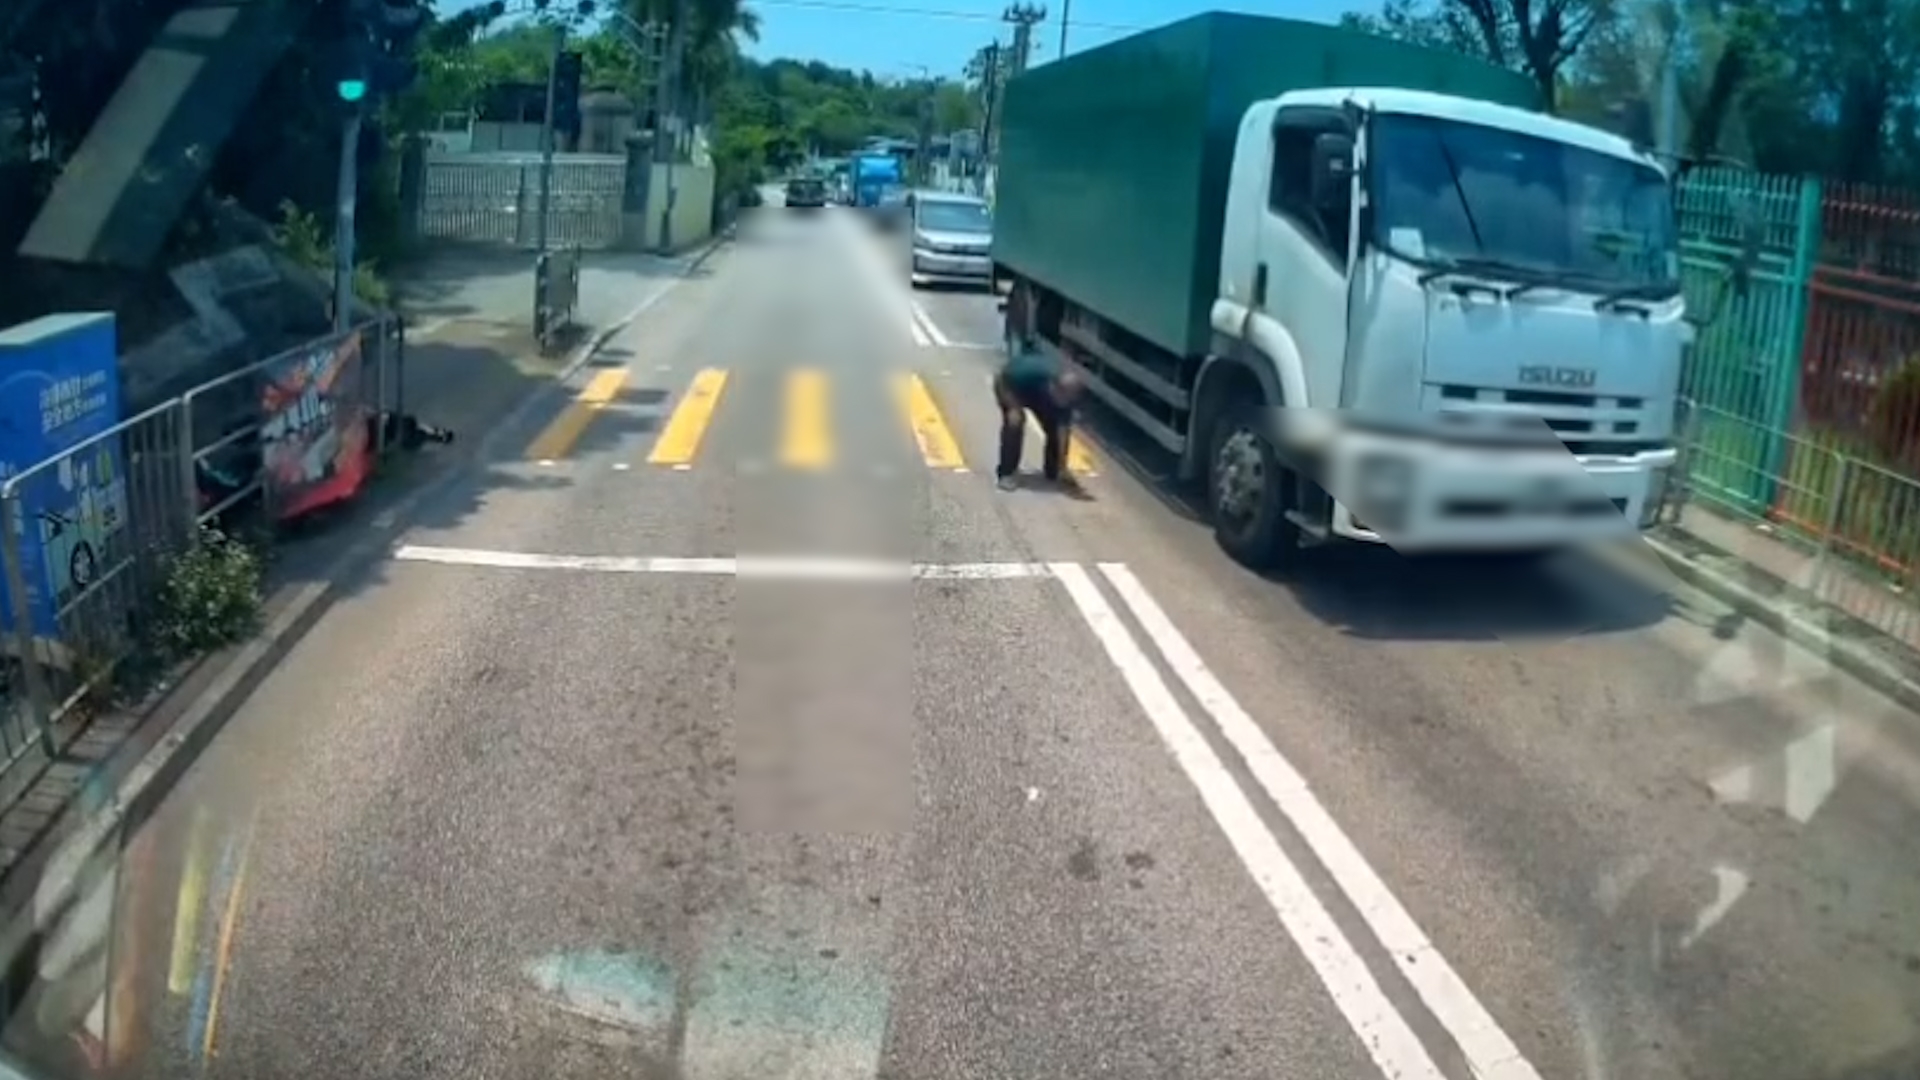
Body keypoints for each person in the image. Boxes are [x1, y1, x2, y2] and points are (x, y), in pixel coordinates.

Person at [994, 299, 1085, 492]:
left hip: (1038, 394)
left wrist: (1063, 466)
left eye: (1066, 401)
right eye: (1061, 399)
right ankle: (1007, 473)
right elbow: (1002, 378)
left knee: (1056, 424)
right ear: (1053, 386)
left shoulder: (1066, 395)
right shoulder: (1028, 371)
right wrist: (1012, 406)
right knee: (1015, 420)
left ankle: (1054, 470)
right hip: (1011, 386)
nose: (1063, 404)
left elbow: (1063, 431)